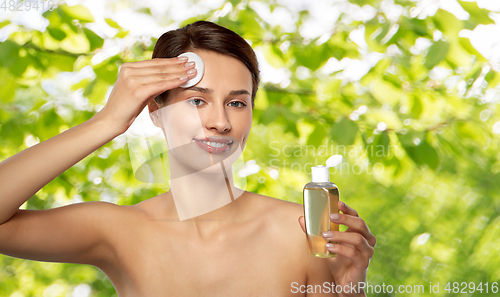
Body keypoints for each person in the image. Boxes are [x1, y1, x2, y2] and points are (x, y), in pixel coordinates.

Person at [0, 21, 376, 296]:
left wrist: (348, 290)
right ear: (154, 110)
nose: (220, 122)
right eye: (197, 100)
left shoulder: (301, 234)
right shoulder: (120, 232)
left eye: (237, 102)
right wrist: (107, 122)